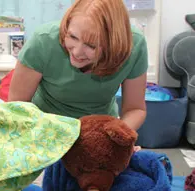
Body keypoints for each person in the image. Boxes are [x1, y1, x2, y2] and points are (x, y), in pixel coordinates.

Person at [9, 0, 148, 132]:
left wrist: (119, 134)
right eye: (72, 37)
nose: (77, 52)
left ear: (114, 45)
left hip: (101, 130)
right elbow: (16, 107)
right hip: (45, 128)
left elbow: (135, 109)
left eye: (91, 45)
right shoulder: (43, 41)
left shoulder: (134, 46)